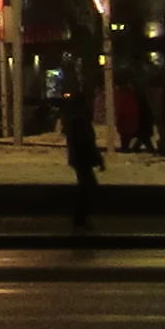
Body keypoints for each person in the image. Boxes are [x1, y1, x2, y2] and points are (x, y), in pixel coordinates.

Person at [61, 79, 103, 229]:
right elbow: (87, 142)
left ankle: (80, 217)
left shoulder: (74, 120)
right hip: (83, 159)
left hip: (79, 159)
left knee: (86, 186)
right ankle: (80, 218)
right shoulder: (80, 121)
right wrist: (98, 159)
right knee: (87, 187)